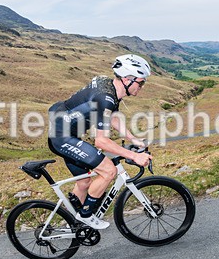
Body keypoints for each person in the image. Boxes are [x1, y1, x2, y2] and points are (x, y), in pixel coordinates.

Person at [47, 54, 154, 230]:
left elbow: (111, 116)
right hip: (63, 138)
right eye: (141, 82)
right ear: (127, 79)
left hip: (66, 133)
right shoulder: (106, 98)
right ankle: (86, 215)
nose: (142, 87)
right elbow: (101, 142)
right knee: (109, 171)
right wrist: (133, 155)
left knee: (84, 183)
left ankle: (73, 225)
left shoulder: (110, 88)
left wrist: (132, 138)